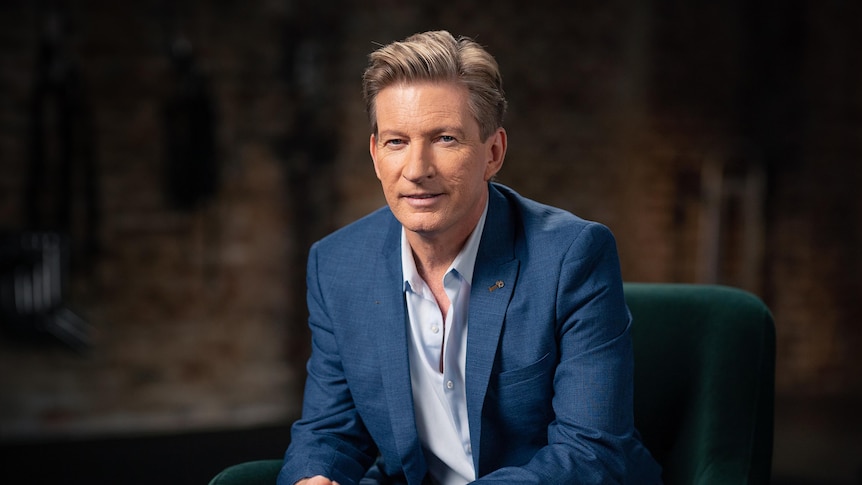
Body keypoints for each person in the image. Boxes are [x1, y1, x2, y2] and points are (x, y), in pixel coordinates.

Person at [278, 30, 662, 485]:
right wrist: (315, 478)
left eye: (444, 138)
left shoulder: (571, 258)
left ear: (493, 153)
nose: (417, 170)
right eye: (396, 141)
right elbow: (329, 432)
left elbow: (590, 454)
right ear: (376, 154)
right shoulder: (338, 265)